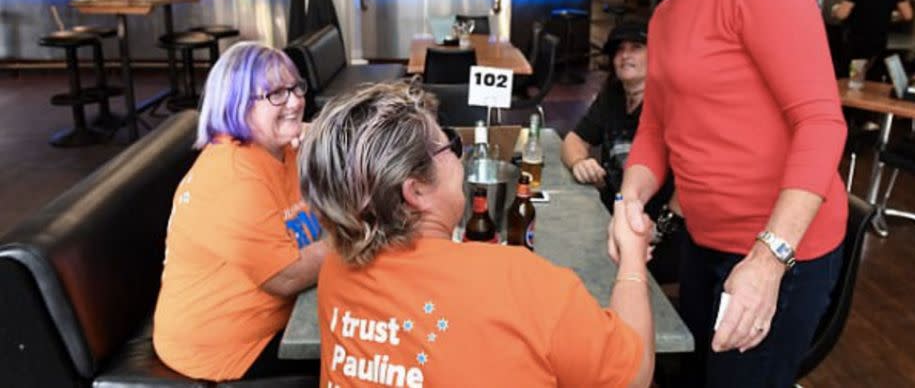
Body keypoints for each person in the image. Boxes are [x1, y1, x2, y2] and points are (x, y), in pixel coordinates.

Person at [564, 0, 848, 386]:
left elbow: (821, 122)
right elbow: (655, 130)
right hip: (705, 243)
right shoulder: (667, 16)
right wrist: (629, 204)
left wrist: (769, 261)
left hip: (781, 255)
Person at [298, 81, 655, 388]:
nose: (461, 156)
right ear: (416, 191)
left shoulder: (337, 268)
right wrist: (632, 260)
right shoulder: (522, 281)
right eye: (449, 146)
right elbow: (633, 374)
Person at [153, 42, 327, 382]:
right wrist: (361, 238)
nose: (294, 101)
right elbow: (286, 276)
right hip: (225, 349)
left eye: (295, 87)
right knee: (371, 349)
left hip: (273, 321)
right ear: (236, 104)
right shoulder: (233, 177)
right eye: (276, 94)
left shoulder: (278, 149)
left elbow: (316, 213)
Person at [561, 22, 683, 283]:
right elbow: (574, 139)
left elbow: (688, 180)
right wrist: (579, 162)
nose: (625, 55)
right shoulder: (612, 97)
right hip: (611, 219)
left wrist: (660, 229)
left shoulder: (673, 105)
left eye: (636, 47)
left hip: (659, 237)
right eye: (619, 50)